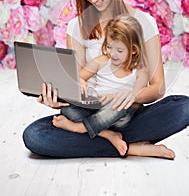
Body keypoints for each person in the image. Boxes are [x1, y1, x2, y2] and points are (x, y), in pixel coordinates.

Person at [23, 0, 189, 159]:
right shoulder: (77, 26)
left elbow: (157, 87)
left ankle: (101, 137)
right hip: (88, 112)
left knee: (185, 107)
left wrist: (130, 95)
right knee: (34, 136)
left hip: (128, 112)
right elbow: (77, 81)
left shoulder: (143, 22)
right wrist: (57, 97)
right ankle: (129, 145)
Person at [53, 14, 155, 157]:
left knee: (123, 107)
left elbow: (136, 101)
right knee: (67, 109)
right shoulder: (102, 61)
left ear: (134, 50)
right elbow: (79, 78)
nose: (112, 54)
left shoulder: (140, 71)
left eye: (119, 50)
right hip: (94, 109)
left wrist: (114, 98)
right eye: (109, 47)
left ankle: (79, 128)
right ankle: (108, 135)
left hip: (117, 115)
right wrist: (81, 84)